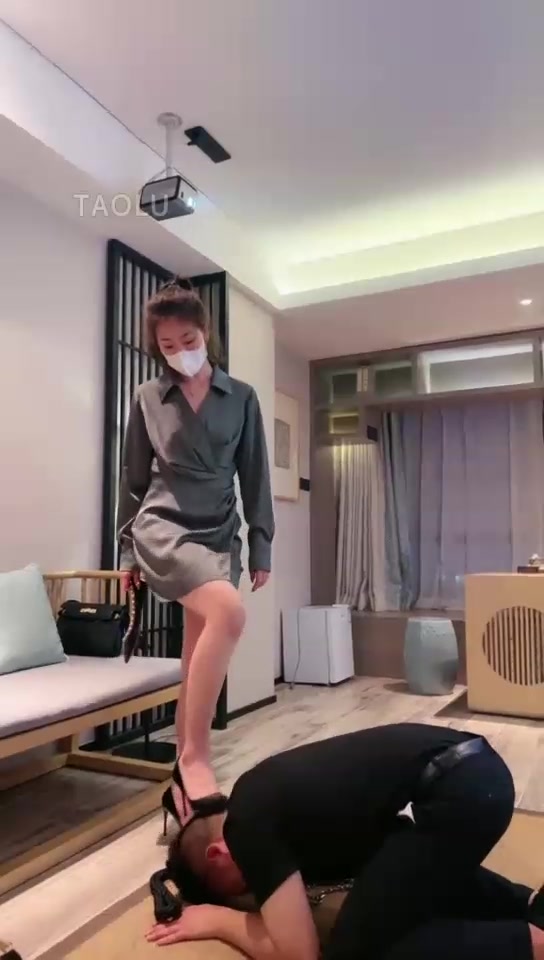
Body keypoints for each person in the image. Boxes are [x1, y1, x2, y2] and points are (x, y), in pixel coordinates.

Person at [146, 723, 544, 960]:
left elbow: (300, 954)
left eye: (237, 888)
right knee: (408, 881)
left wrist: (221, 919)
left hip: (460, 790)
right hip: (477, 772)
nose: (253, 892)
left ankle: (534, 946)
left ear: (218, 854)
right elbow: (393, 857)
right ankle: (531, 905)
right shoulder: (275, 803)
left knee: (354, 951)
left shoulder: (244, 825)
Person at [117, 278, 274, 807]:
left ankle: (181, 787)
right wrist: (126, 552)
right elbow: (132, 481)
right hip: (164, 525)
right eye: (167, 345)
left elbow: (255, 476)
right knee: (229, 612)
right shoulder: (147, 397)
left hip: (220, 530)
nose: (179, 352)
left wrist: (261, 545)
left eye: (188, 340)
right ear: (156, 347)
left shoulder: (242, 397)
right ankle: (196, 759)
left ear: (205, 332)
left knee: (196, 652)